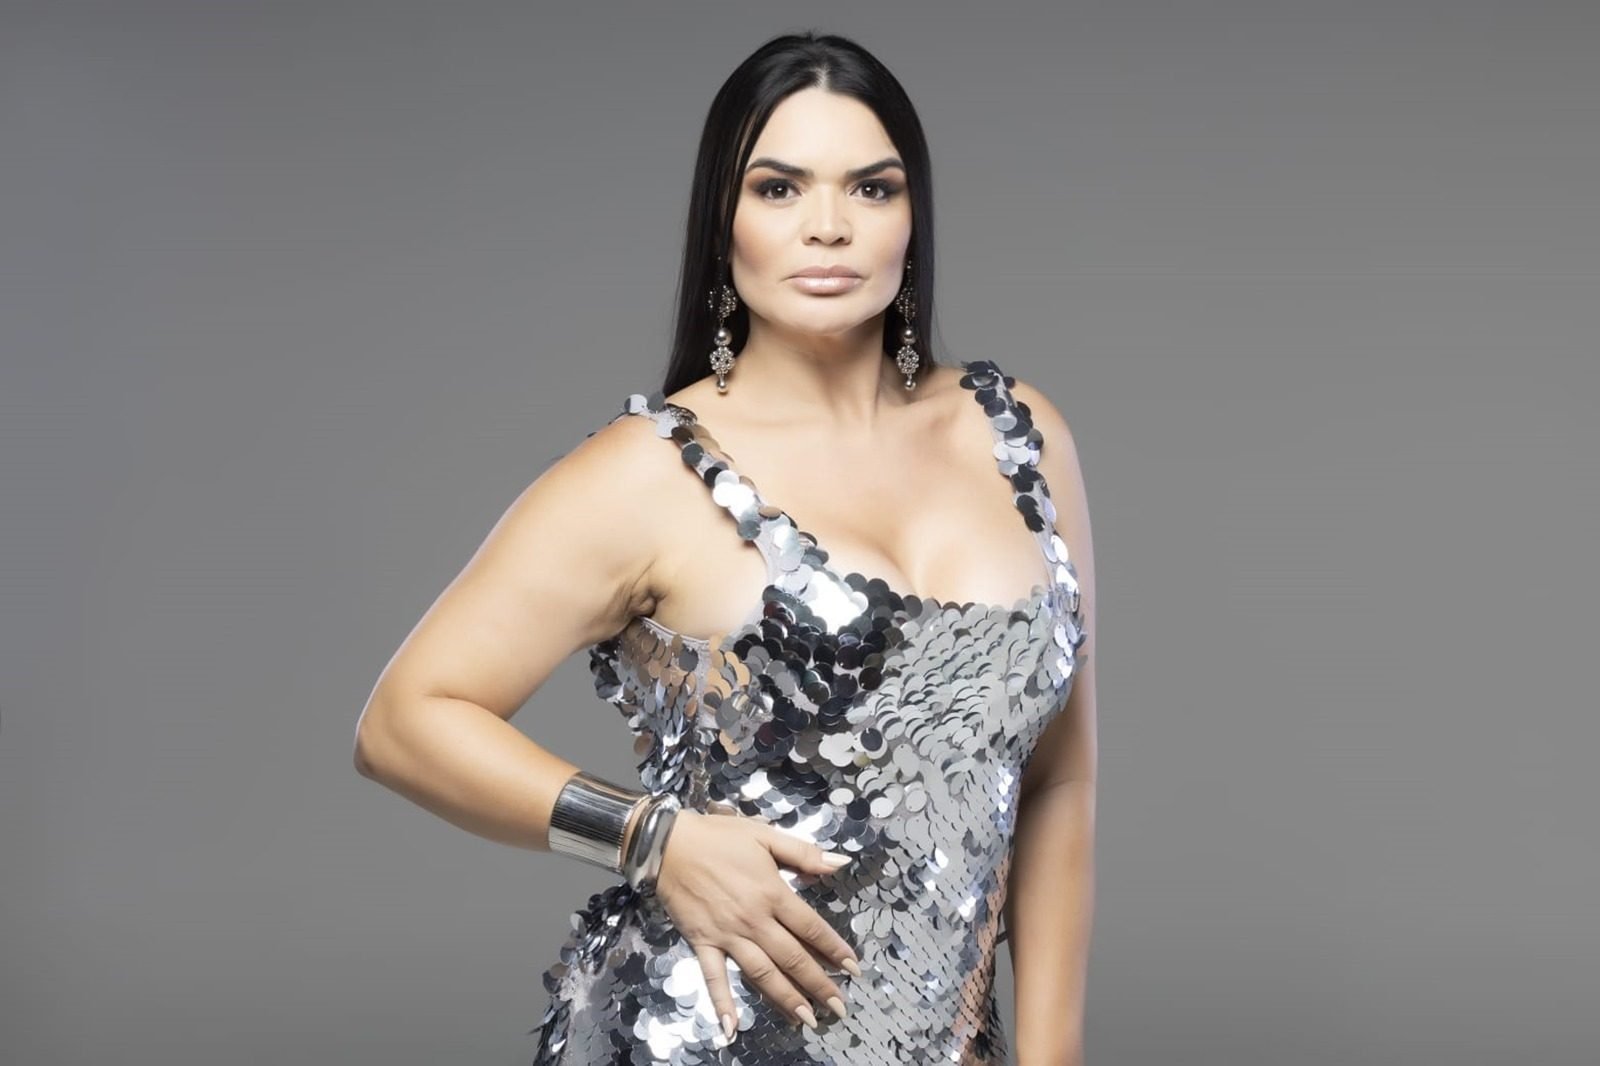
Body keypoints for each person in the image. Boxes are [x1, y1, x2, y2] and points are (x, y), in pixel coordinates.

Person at [354, 30, 1096, 1066]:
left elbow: (1056, 779)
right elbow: (402, 721)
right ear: (724, 221)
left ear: (912, 218)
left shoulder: (1019, 434)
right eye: (779, 189)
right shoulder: (650, 473)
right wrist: (649, 836)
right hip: (700, 1035)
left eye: (872, 188)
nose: (829, 226)